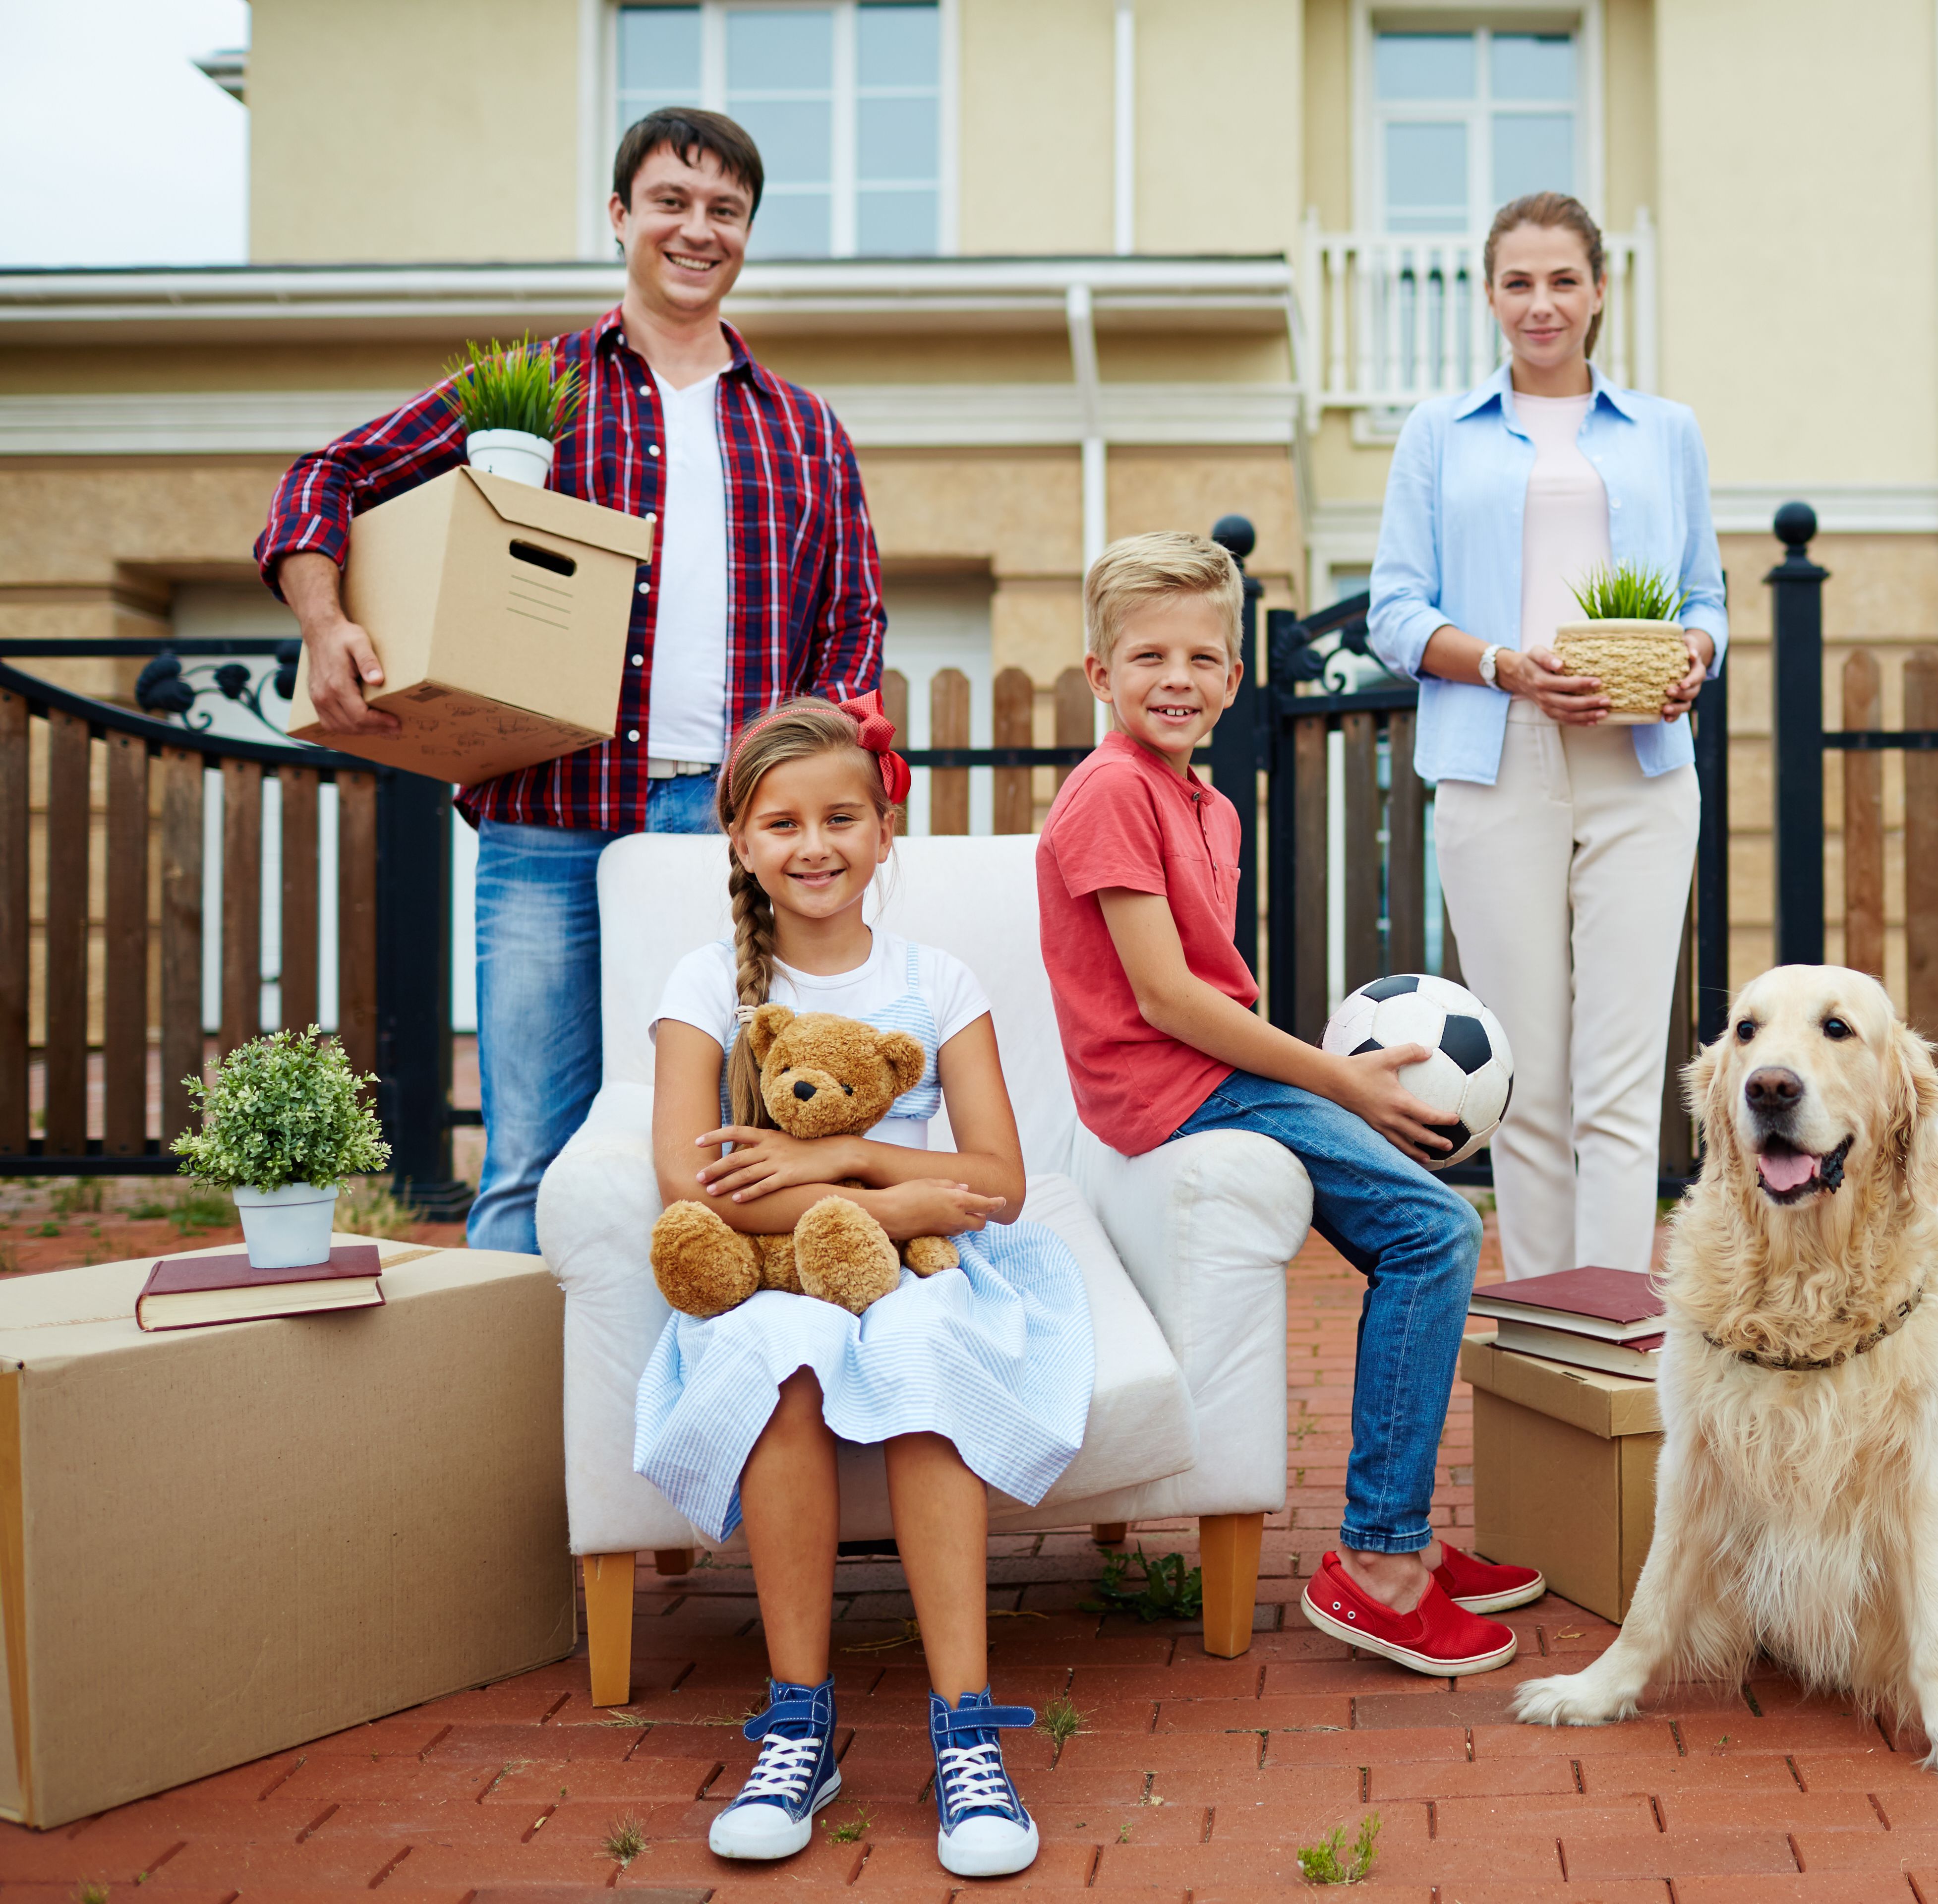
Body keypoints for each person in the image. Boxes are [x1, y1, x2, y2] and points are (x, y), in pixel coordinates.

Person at [254, 108, 884, 1253]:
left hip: (728, 835)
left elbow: (851, 626)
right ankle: (505, 1433)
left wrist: (827, 770)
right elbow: (326, 475)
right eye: (672, 204)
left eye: (725, 212)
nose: (699, 231)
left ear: (747, 233)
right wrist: (326, 616)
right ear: (620, 217)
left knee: (727, 1149)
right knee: (530, 1161)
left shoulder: (804, 429)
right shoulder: (529, 392)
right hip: (550, 821)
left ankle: (684, 1413)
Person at [1034, 531, 1545, 1676]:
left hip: (1216, 1074)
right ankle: (1379, 1563)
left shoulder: (1203, 805)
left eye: (1204, 657)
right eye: (1149, 655)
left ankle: (1393, 1525)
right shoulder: (1113, 791)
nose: (1179, 678)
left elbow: (1211, 982)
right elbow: (1166, 998)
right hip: (1172, 1088)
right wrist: (1340, 1080)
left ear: (1231, 676)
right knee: (1437, 1229)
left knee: (1422, 1228)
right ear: (1100, 673)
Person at [634, 696, 1087, 1878]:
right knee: (780, 1357)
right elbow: (700, 1192)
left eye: (843, 817)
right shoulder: (706, 987)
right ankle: (800, 1720)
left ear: (887, 833)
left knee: (924, 1353)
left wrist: (848, 1156)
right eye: (782, 822)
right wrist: (904, 1202)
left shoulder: (937, 981)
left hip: (929, 1275)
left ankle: (966, 1732)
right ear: (738, 840)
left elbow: (996, 1186)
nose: (815, 844)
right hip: (776, 1276)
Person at [1366, 192, 1728, 1285]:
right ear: (1489, 295)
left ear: (1600, 291)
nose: (1542, 303)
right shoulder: (1440, 432)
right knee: (1524, 1083)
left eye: (1563, 280)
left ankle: (1613, 1339)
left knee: (1623, 1084)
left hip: (1642, 768)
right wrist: (1504, 666)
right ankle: (1541, 1342)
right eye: (1519, 282)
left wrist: (1693, 658)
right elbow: (1394, 611)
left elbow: (1707, 598)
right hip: (1496, 762)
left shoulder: (1667, 431)